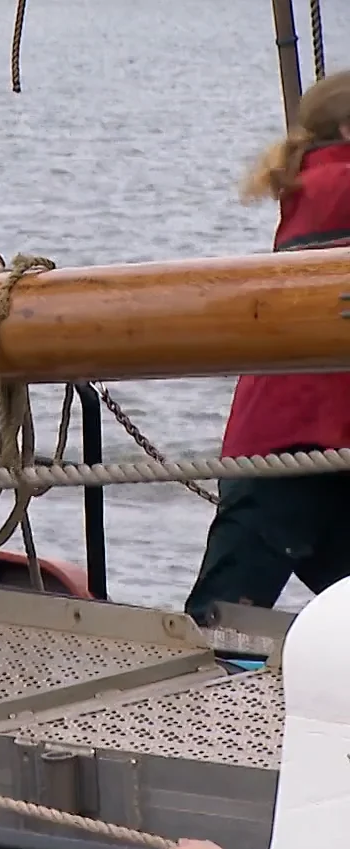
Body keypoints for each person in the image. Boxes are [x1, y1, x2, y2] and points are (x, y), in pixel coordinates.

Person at [184, 72, 350, 627]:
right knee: (224, 614)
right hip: (307, 436)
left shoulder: (311, 184)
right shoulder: (341, 185)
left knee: (226, 609)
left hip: (285, 435)